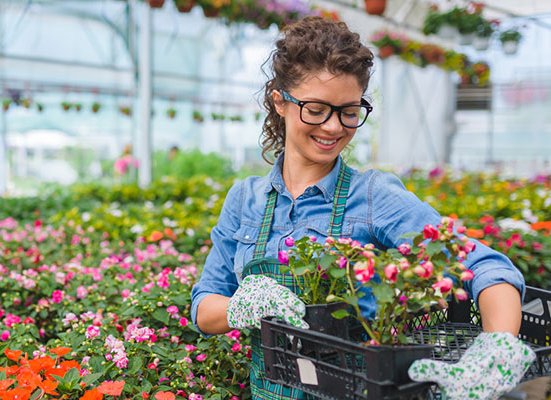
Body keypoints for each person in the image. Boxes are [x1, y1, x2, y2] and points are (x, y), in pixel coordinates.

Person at [190, 16, 533, 400]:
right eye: (317, 109)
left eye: (349, 111)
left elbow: (485, 266)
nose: (334, 127)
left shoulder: (373, 195)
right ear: (280, 103)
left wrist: (497, 347)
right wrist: (240, 305)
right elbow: (205, 306)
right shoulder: (244, 200)